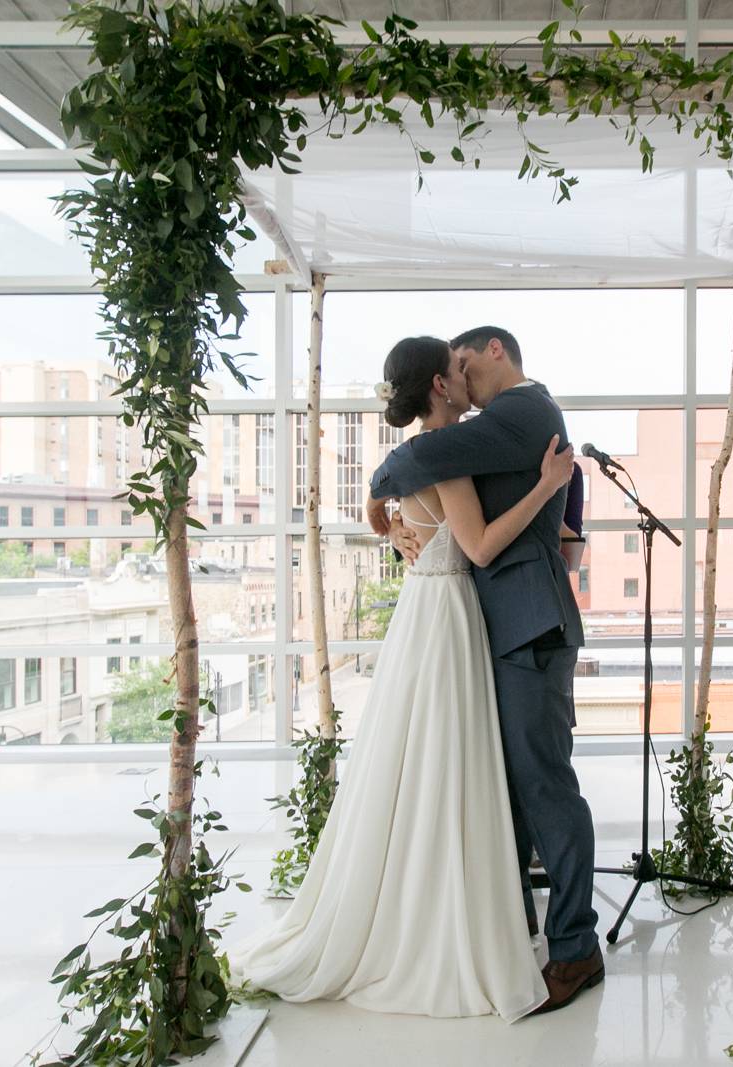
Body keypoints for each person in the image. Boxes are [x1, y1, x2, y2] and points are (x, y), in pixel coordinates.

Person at [231, 335, 574, 1022]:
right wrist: (546, 487)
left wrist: (384, 515)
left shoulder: (424, 457)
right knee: (452, 762)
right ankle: (455, 917)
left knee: (416, 761)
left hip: (422, 608)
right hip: (449, 614)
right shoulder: (447, 458)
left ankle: (420, 901)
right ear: (442, 388)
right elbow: (477, 546)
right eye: (457, 371)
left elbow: (405, 511)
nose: (467, 379)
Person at [371, 326, 601, 1013]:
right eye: (453, 372)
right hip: (505, 625)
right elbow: (437, 471)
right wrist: (387, 504)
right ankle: (521, 931)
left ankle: (576, 947)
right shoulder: (502, 422)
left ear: (495, 351)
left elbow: (431, 453)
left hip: (532, 622)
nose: (461, 383)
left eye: (466, 364)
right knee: (509, 790)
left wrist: (378, 486)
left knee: (546, 787)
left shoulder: (525, 410)